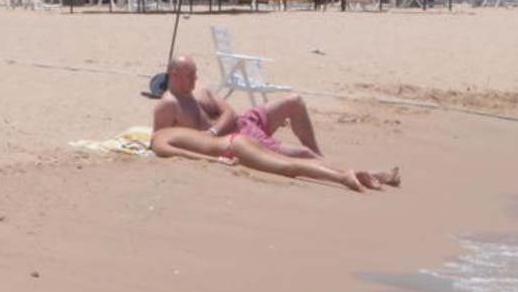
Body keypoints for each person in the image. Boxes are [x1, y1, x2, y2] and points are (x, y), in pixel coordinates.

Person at [151, 55, 400, 191]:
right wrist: (213, 153)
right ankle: (354, 173)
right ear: (174, 75)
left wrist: (213, 132)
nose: (195, 78)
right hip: (235, 141)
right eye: (190, 75)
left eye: (195, 73)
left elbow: (229, 111)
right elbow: (164, 146)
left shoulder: (200, 91)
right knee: (300, 156)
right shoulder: (167, 106)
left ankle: (336, 167)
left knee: (295, 102)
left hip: (241, 127)